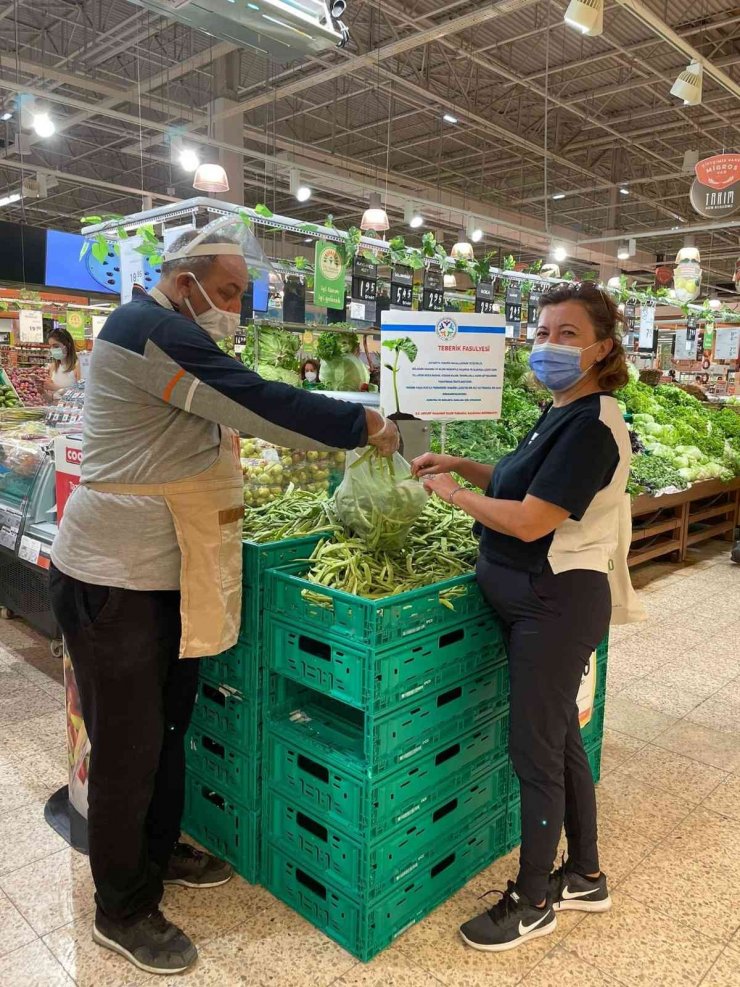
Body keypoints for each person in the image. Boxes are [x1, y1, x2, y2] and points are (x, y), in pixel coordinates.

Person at [49, 224, 399, 977]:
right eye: (231, 291)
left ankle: (155, 849)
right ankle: (122, 906)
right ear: (185, 280)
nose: (238, 307)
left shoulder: (169, 328)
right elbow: (254, 403)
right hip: (114, 579)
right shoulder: (148, 330)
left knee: (170, 723)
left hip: (165, 573)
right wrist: (360, 421)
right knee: (126, 749)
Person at [412, 282, 637, 954]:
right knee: (560, 739)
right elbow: (522, 481)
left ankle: (536, 898)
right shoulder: (561, 411)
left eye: (567, 334)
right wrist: (466, 466)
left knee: (534, 753)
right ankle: (587, 873)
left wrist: (453, 494)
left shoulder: (594, 424)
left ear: (603, 347)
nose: (548, 345)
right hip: (537, 601)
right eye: (541, 332)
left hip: (555, 602)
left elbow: (534, 517)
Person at [44, 327, 81, 400]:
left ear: (68, 345)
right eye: (50, 346)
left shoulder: (78, 366)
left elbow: (81, 394)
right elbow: (51, 398)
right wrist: (42, 390)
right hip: (55, 409)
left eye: (56, 346)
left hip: (71, 410)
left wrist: (55, 388)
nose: (52, 349)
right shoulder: (53, 367)